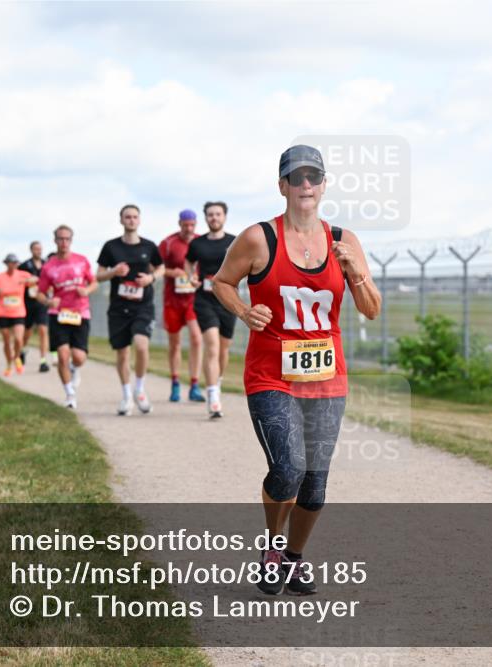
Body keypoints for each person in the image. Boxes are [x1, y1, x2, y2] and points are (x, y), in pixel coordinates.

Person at [213, 145, 381, 596]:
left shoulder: (344, 240)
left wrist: (355, 273)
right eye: (296, 178)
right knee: (288, 467)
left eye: (314, 177)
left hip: (328, 378)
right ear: (282, 185)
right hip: (271, 375)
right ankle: (272, 548)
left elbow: (372, 310)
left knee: (315, 483)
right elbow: (221, 282)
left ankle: (294, 557)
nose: (305, 186)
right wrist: (244, 311)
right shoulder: (257, 239)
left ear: (324, 185)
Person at [96, 204, 164, 416]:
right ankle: (126, 396)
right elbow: (98, 275)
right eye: (128, 217)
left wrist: (151, 278)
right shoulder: (111, 247)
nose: (131, 220)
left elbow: (161, 268)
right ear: (121, 220)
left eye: (135, 217)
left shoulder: (149, 246)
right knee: (123, 353)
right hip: (118, 307)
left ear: (139, 220)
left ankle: (140, 389)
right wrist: (114, 271)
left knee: (142, 346)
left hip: (143, 305)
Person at [35, 225, 98, 409]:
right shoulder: (49, 266)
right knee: (62, 356)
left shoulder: (81, 261)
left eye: (67, 239)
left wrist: (86, 290)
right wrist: (48, 301)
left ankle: (75, 369)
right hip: (58, 313)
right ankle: (70, 394)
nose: (64, 242)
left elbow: (94, 283)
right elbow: (39, 293)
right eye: (60, 239)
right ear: (55, 241)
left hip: (80, 312)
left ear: (71, 240)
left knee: (79, 357)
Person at [185, 200, 236, 418]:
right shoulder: (198, 244)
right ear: (205, 218)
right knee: (212, 345)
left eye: (218, 214)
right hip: (204, 299)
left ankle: (217, 380)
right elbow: (188, 262)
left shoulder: (235, 242)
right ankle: (213, 396)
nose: (214, 218)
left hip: (228, 300)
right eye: (210, 215)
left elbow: (246, 264)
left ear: (224, 216)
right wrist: (190, 276)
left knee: (223, 350)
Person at [159, 209, 205, 403]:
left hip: (193, 300)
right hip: (173, 299)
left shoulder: (201, 242)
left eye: (192, 224)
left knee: (196, 339)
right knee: (175, 343)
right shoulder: (168, 243)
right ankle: (175, 383)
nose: (188, 228)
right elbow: (156, 268)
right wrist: (172, 272)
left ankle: (194, 385)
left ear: (195, 224)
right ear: (180, 224)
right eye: (185, 224)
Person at [0, 253, 36, 376]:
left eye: (15, 263)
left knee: (19, 339)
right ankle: (9, 363)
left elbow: (36, 279)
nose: (12, 265)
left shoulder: (22, 275)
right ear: (6, 263)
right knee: (6, 341)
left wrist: (27, 280)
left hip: (18, 312)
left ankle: (17, 357)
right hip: (3, 312)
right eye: (10, 262)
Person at [19, 241, 51, 373]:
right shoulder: (24, 265)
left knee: (43, 330)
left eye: (40, 249)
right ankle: (23, 349)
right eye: (36, 249)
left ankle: (43, 361)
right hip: (28, 302)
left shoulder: (47, 265)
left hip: (42, 301)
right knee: (28, 331)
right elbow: (18, 281)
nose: (38, 251)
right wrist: (28, 281)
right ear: (31, 250)